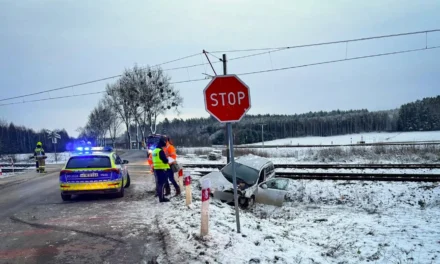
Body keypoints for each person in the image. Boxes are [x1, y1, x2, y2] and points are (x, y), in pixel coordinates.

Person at [152, 138, 171, 203]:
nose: (164, 148)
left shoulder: (154, 151)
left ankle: (161, 197)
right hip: (162, 169)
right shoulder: (160, 151)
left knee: (159, 183)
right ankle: (162, 198)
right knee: (162, 184)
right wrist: (167, 160)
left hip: (156, 169)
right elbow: (165, 160)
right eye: (163, 146)